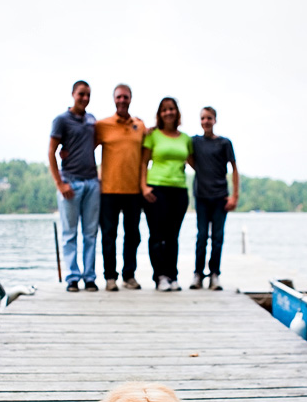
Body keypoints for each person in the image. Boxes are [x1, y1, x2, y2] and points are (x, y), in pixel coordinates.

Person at [48, 80, 100, 292]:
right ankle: (72, 277)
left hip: (92, 183)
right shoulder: (61, 120)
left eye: (88, 94)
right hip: (70, 182)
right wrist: (60, 183)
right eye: (81, 94)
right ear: (73, 94)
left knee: (90, 233)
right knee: (70, 233)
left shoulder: (91, 120)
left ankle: (89, 277)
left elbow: (92, 143)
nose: (85, 98)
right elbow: (51, 151)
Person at [95, 84, 146, 291]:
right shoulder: (102, 125)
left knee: (133, 235)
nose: (122, 100)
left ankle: (129, 275)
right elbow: (85, 147)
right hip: (108, 190)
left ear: (131, 99)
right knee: (109, 235)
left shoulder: (139, 126)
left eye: (126, 97)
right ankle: (110, 277)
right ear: (114, 99)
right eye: (119, 97)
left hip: (134, 191)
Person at [141, 97, 193, 291]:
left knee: (173, 236)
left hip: (179, 190)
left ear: (176, 112)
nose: (168, 112)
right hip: (156, 188)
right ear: (160, 114)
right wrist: (144, 187)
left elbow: (195, 162)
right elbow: (143, 162)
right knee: (156, 235)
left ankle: (173, 275)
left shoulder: (186, 138)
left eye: (171, 109)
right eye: (164, 110)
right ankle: (160, 276)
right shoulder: (153, 135)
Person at [189, 106, 239, 291]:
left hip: (220, 198)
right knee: (201, 236)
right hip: (201, 196)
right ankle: (198, 274)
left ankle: (215, 274)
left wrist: (234, 195)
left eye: (209, 118)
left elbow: (234, 169)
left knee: (217, 237)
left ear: (215, 120)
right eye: (202, 118)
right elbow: (188, 158)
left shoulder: (225, 143)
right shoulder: (195, 142)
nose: (206, 121)